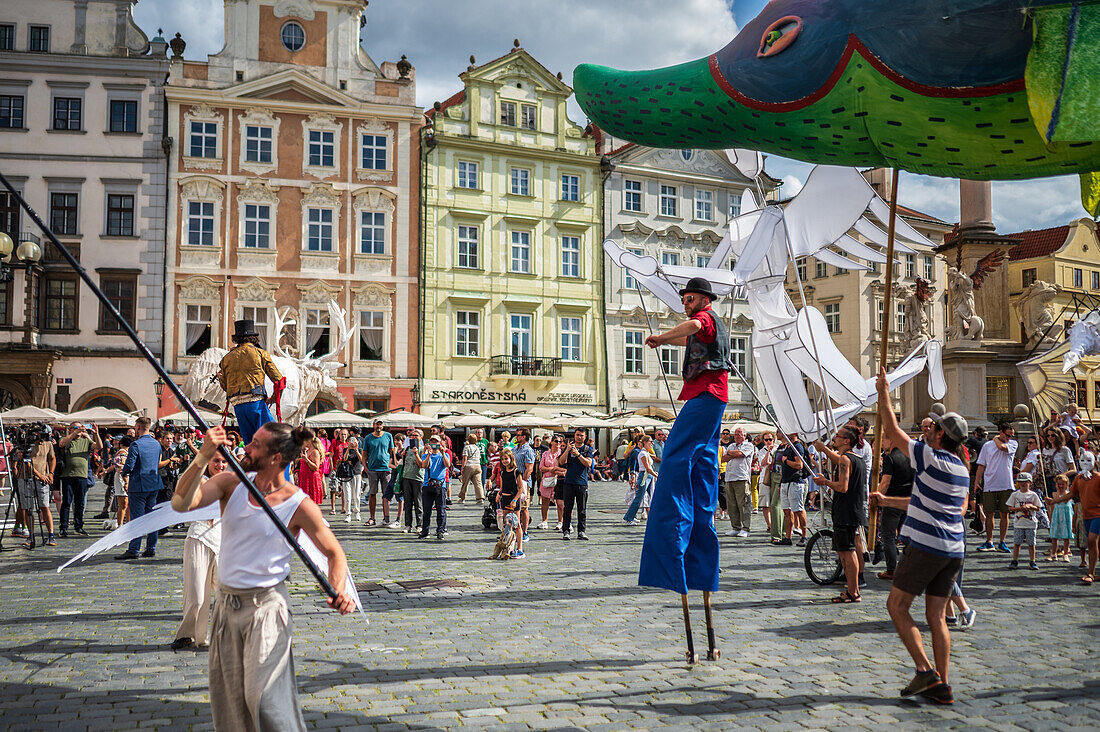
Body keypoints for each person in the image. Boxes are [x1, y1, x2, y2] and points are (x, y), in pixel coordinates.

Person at [171, 423, 353, 729]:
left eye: (255, 444)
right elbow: (181, 503)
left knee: (267, 701)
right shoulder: (231, 483)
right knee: (229, 706)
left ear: (275, 457)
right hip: (226, 608)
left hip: (267, 609)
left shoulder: (299, 504)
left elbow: (334, 553)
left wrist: (338, 590)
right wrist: (202, 456)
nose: (246, 448)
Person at [871, 370, 969, 705]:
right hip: (953, 549)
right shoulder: (961, 469)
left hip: (927, 546)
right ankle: (942, 684)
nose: (930, 431)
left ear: (940, 435)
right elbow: (921, 501)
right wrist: (887, 502)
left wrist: (883, 392)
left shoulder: (930, 456)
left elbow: (893, 430)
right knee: (936, 616)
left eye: (934, 428)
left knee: (896, 606)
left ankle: (925, 669)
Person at [637, 276, 730, 595]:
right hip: (713, 397)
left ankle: (673, 537)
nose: (685, 304)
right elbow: (689, 340)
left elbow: (691, 329)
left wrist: (661, 336)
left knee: (676, 457)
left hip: (706, 395)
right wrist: (664, 341)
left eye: (689, 299)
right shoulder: (708, 325)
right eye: (685, 300)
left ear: (704, 299)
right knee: (703, 468)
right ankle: (700, 558)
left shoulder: (704, 318)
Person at [172, 447, 228, 651]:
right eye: (216, 461)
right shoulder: (201, 481)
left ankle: (226, 635)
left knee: (227, 594)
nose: (220, 465)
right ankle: (187, 634)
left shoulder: (233, 484)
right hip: (199, 539)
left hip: (224, 543)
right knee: (197, 596)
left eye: (223, 461)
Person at [813, 425, 868, 603]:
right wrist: (824, 449)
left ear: (846, 440)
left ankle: (854, 592)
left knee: (847, 551)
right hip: (852, 508)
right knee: (844, 550)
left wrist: (824, 481)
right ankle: (853, 589)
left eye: (838, 436)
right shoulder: (855, 458)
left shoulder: (846, 458)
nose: (834, 438)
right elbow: (838, 460)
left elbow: (842, 487)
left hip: (846, 510)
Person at [217, 319, 286, 444]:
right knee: (277, 439)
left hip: (238, 407)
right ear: (254, 338)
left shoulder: (226, 359)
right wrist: (274, 398)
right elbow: (279, 381)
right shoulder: (260, 353)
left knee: (251, 445)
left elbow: (226, 387)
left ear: (237, 338)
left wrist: (221, 379)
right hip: (255, 404)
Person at [119, 417, 172, 560]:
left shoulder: (136, 445)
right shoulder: (156, 444)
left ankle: (134, 549)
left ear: (137, 427)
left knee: (137, 518)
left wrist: (124, 473)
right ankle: (150, 548)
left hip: (139, 485)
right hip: (154, 484)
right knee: (152, 517)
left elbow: (129, 465)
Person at [1049, 450, 1100, 583]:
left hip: (1098, 514)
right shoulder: (1078, 478)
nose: (1085, 463)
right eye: (1082, 460)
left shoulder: (1098, 478)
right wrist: (1054, 501)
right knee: (1095, 544)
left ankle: (1091, 573)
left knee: (1091, 540)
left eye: (1089, 461)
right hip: (1086, 515)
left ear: (1094, 463)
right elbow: (1071, 494)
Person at [975, 422, 1018, 552]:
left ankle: (1002, 541)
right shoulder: (987, 446)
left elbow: (1002, 447)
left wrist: (996, 439)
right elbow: (981, 465)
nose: (1009, 438)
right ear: (1001, 432)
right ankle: (989, 541)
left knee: (1005, 514)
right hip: (990, 483)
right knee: (989, 514)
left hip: (1006, 484)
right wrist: (977, 481)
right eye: (1007, 435)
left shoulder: (1012, 444)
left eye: (1011, 435)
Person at [876, 432, 914, 580]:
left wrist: (876, 497)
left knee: (888, 536)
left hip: (892, 501)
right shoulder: (910, 457)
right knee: (906, 536)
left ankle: (891, 569)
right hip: (908, 500)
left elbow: (885, 482)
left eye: (883, 440)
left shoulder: (890, 458)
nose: (882, 444)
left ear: (891, 441)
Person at [58, 422, 103, 538]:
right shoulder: (67, 439)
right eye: (76, 427)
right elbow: (61, 444)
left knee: (80, 503)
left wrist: (96, 434)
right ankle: (63, 528)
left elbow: (99, 447)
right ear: (70, 429)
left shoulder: (86, 440)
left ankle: (78, 526)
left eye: (79, 427)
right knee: (66, 502)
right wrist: (75, 433)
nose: (79, 430)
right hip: (67, 475)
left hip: (82, 476)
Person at [15, 430, 57, 549]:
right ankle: (31, 535)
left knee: (45, 506)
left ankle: (51, 534)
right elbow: (27, 463)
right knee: (28, 508)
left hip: (43, 479)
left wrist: (51, 474)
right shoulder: (26, 444)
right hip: (25, 478)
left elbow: (52, 458)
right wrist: (40, 475)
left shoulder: (48, 444)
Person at [558, 427, 594, 540]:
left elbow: (588, 463)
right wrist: (568, 450)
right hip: (569, 481)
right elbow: (561, 461)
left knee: (582, 509)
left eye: (582, 435)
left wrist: (578, 454)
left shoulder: (588, 449)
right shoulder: (569, 448)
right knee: (567, 508)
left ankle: (581, 531)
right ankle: (566, 530)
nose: (579, 437)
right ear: (574, 435)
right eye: (578, 435)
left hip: (582, 482)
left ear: (585, 437)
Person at [776, 433, 809, 547]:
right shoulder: (788, 446)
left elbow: (799, 465)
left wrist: (785, 461)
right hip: (786, 481)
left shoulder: (797, 446)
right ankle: (787, 537)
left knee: (798, 510)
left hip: (795, 481)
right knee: (787, 510)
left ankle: (804, 536)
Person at [1006, 472, 1043, 570]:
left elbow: (1038, 508)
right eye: (1021, 482)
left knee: (1031, 544)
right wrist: (1020, 508)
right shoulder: (1015, 495)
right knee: (1017, 543)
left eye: (1025, 482)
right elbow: (1010, 508)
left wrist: (1031, 506)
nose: (1023, 484)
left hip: (1030, 523)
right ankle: (1014, 560)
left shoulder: (1033, 495)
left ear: (1029, 483)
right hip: (1019, 524)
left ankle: (1032, 561)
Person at [361, 419, 395, 527]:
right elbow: (364, 454)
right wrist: (365, 467)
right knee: (372, 493)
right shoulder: (368, 438)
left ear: (383, 425)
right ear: (373, 425)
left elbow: (392, 451)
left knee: (386, 494)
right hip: (372, 469)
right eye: (377, 424)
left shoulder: (388, 436)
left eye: (380, 424)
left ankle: (386, 517)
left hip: (385, 469)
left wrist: (393, 465)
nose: (379, 426)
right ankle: (372, 518)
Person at [417, 436, 451, 540]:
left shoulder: (444, 455)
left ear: (440, 443)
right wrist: (428, 455)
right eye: (432, 442)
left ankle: (440, 530)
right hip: (428, 485)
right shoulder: (426, 455)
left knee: (441, 510)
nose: (434, 444)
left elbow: (447, 465)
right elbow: (424, 465)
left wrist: (442, 452)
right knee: (427, 510)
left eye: (436, 442)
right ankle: (425, 531)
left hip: (441, 485)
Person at [722, 427, 754, 537]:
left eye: (739, 434)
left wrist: (731, 453)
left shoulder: (748, 445)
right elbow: (724, 458)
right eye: (735, 434)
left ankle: (746, 528)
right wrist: (732, 453)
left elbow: (740, 454)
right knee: (732, 504)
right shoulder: (731, 445)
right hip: (729, 477)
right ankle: (735, 527)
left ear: (744, 435)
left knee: (743, 504)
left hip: (742, 477)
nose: (736, 436)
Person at [497, 447, 526, 558]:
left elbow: (521, 488)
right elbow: (503, 486)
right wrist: (499, 494)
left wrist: (514, 500)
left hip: (514, 500)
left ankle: (519, 548)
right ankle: (509, 547)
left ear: (511, 458)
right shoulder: (503, 472)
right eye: (503, 459)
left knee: (517, 524)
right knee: (507, 525)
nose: (504, 461)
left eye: (506, 458)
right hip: (505, 499)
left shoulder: (516, 471)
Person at [624, 435, 658, 525]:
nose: (652, 443)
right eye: (650, 441)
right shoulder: (642, 453)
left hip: (649, 476)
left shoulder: (646, 453)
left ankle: (650, 516)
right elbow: (647, 468)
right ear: (645, 443)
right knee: (638, 498)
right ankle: (628, 518)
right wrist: (656, 475)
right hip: (645, 476)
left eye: (652, 442)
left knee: (650, 497)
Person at [512, 429, 536, 544]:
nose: (516, 437)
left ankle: (525, 531)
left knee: (524, 508)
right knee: (514, 508)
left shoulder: (528, 450)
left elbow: (529, 469)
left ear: (524, 437)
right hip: (513, 482)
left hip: (524, 483)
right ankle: (513, 531)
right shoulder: (515, 449)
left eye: (518, 435)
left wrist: (523, 482)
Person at [537, 435, 564, 529]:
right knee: (545, 501)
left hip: (559, 480)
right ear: (551, 442)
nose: (558, 443)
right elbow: (541, 467)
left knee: (560, 502)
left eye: (560, 442)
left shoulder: (562, 454)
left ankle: (560, 521)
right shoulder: (545, 454)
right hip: (547, 480)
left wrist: (554, 470)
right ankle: (544, 521)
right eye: (556, 441)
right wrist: (552, 469)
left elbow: (564, 469)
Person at [400, 429, 425, 533]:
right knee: (408, 503)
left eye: (416, 435)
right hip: (407, 477)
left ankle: (419, 525)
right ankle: (408, 525)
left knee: (418, 502)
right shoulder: (407, 448)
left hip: (418, 478)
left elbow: (421, 465)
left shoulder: (423, 449)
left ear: (421, 437)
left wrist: (416, 453)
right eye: (412, 436)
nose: (414, 437)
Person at [1046, 474, 1075, 561]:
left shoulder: (1068, 494)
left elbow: (1063, 500)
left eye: (1063, 484)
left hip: (1066, 516)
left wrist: (1052, 501)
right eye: (1059, 484)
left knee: (1066, 535)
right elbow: (1052, 506)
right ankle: (1054, 553)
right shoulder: (1054, 494)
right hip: (1057, 515)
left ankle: (1065, 553)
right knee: (1054, 535)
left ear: (1067, 485)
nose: (1061, 486)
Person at [297, 436, 325, 506]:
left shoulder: (315, 452)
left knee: (312, 503)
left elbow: (316, 467)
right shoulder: (307, 451)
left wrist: (306, 459)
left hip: (311, 479)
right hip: (304, 478)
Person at [457, 434, 483, 503]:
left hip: (469, 466)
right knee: (478, 483)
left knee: (465, 482)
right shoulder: (477, 448)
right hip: (477, 465)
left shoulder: (467, 447)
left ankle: (462, 498)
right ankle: (480, 498)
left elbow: (465, 458)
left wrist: (462, 468)